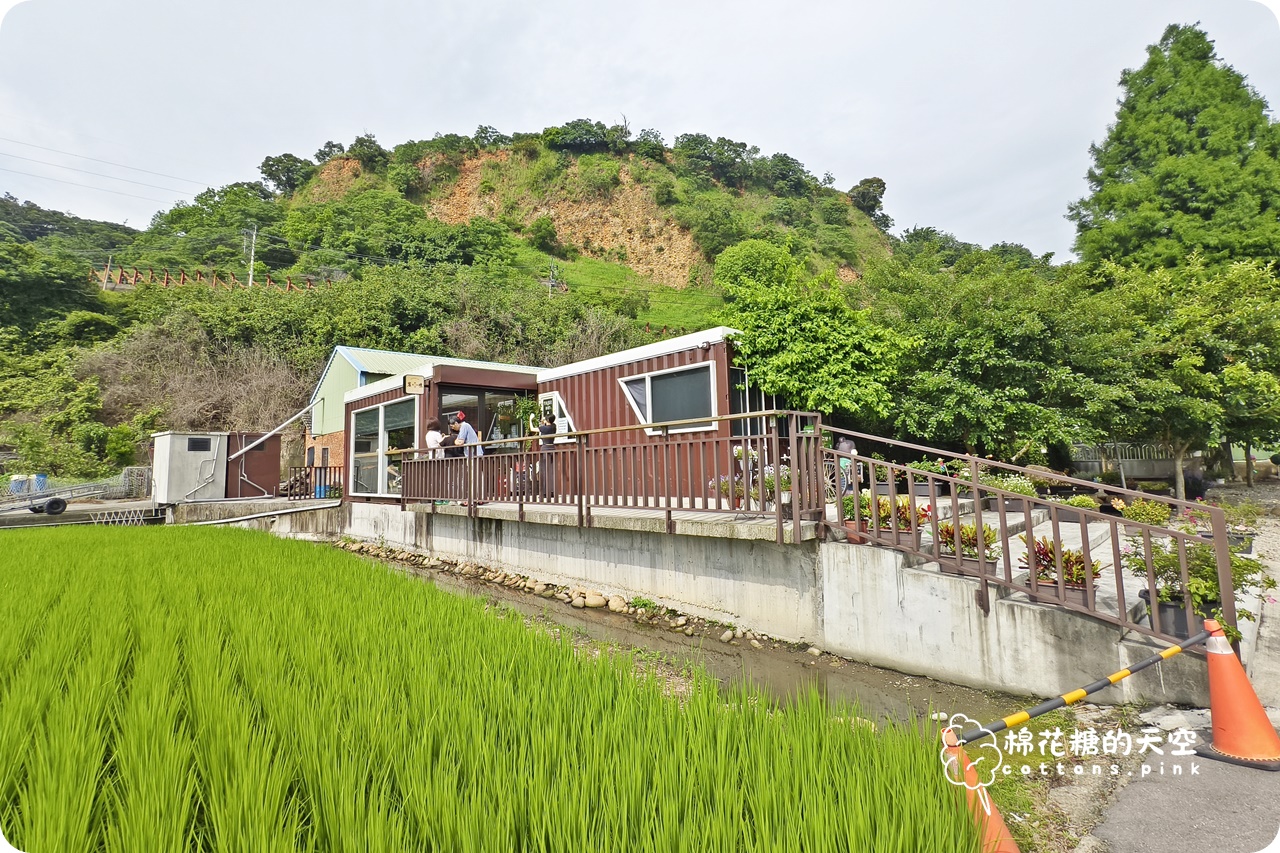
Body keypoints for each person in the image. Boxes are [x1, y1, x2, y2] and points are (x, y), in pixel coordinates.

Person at [538, 412, 557, 498]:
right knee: (551, 471)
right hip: (552, 448)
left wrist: (530, 420)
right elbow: (543, 425)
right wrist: (543, 421)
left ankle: (545, 492)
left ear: (547, 420)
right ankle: (552, 491)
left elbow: (532, 428)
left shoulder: (545, 429)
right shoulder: (553, 426)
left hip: (545, 449)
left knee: (544, 471)